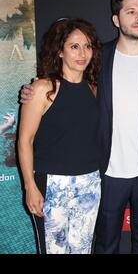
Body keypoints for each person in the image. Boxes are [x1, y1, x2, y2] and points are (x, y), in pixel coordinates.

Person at [20, 0, 138, 254]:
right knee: (104, 246)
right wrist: (32, 89)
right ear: (116, 19)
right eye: (131, 12)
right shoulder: (98, 58)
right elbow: (62, 88)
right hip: (104, 174)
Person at [17, 18, 102, 254]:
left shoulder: (93, 88)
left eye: (87, 46)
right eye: (74, 46)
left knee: (82, 251)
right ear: (60, 51)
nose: (82, 53)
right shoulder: (43, 89)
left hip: (90, 183)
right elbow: (25, 141)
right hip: (52, 184)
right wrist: (30, 187)